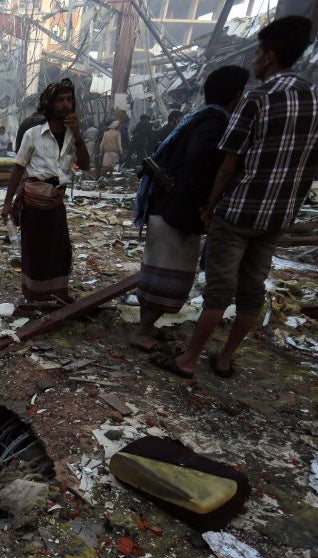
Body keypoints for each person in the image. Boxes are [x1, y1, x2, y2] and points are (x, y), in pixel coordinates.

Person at [155, 16, 318, 379]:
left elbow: (229, 163)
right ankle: (226, 358)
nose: (255, 60)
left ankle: (188, 359)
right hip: (278, 215)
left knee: (219, 290)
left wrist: (210, 206)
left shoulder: (257, 99)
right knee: (252, 288)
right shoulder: (313, 99)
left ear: (270, 56)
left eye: (258, 53)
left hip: (241, 209)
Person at [130, 65, 250, 352]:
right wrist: (204, 204)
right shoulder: (214, 123)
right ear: (235, 97)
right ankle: (142, 331)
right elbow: (199, 162)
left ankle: (146, 327)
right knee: (166, 276)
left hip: (168, 207)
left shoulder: (199, 119)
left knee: (159, 273)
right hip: (177, 213)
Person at [1, 79, 90, 301]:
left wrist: (78, 135)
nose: (66, 104)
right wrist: (7, 202)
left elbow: (86, 165)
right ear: (50, 104)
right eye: (60, 100)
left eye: (69, 100)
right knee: (35, 252)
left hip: (56, 202)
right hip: (34, 203)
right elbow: (18, 169)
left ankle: (59, 293)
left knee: (60, 251)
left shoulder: (73, 135)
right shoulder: (33, 134)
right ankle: (35, 296)